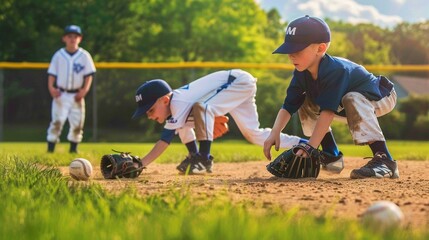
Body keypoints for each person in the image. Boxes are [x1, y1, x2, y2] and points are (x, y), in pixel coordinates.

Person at [263, 15, 399, 179]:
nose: (291, 55)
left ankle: (385, 160)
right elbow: (288, 106)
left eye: (297, 50)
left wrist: (310, 148)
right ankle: (331, 156)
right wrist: (275, 132)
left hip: (380, 96)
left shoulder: (335, 70)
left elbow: (327, 113)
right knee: (305, 100)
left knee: (352, 97)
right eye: (289, 50)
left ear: (320, 48)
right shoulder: (301, 73)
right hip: (346, 105)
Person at [132, 69, 308, 174]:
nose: (149, 115)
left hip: (237, 81)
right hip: (240, 83)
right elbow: (181, 128)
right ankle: (305, 144)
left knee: (204, 108)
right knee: (254, 134)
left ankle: (204, 159)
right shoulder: (176, 109)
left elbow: (164, 140)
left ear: (164, 100)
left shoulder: (177, 102)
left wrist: (141, 164)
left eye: (150, 109)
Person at [46, 25, 96, 153]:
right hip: (61, 94)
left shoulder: (84, 55)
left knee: (77, 123)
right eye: (70, 36)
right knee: (57, 121)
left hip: (77, 95)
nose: (72, 39)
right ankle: (50, 149)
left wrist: (84, 90)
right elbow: (52, 74)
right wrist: (51, 88)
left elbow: (89, 75)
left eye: (75, 36)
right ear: (64, 38)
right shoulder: (59, 55)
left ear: (80, 38)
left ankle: (73, 149)